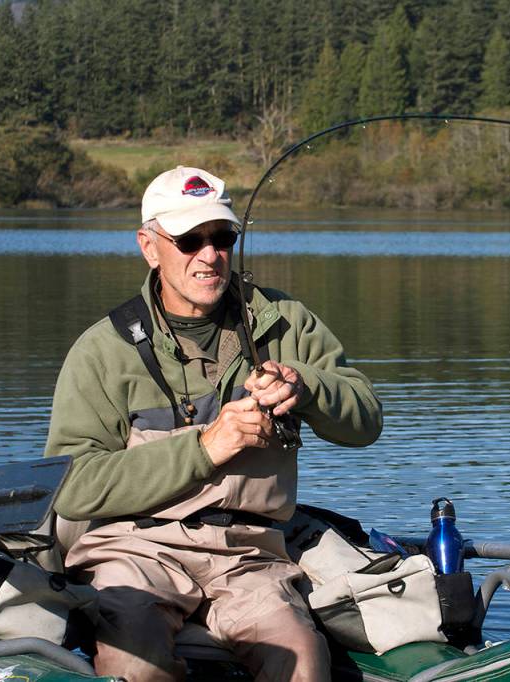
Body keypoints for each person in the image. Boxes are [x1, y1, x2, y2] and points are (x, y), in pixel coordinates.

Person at [44, 166, 383, 682]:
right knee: (132, 658)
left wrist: (307, 386)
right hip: (135, 550)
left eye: (221, 237)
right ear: (149, 246)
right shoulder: (103, 350)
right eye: (188, 239)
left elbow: (366, 422)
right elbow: (70, 487)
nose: (209, 255)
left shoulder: (285, 321)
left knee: (302, 660)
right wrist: (204, 448)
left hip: (251, 556)